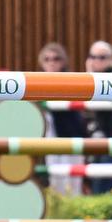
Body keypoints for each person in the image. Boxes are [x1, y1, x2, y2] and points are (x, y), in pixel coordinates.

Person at [37, 42, 85, 195]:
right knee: (55, 181)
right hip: (49, 138)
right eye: (47, 59)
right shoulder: (36, 82)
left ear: (63, 62)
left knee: (73, 183)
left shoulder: (71, 79)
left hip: (71, 135)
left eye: (56, 58)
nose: (51, 62)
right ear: (42, 62)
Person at [84, 41, 112, 193]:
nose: (96, 61)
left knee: (103, 186)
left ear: (111, 60)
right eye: (93, 57)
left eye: (101, 57)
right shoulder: (92, 78)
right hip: (95, 139)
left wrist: (89, 74)